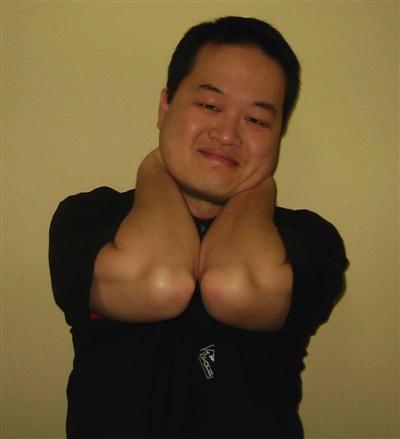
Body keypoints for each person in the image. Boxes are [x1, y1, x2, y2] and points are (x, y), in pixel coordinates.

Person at [49, 16, 348, 438]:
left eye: (257, 121)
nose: (227, 135)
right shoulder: (89, 218)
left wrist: (259, 183)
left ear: (278, 135)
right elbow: (159, 282)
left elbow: (233, 286)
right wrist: (156, 166)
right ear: (165, 106)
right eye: (209, 106)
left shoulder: (309, 241)